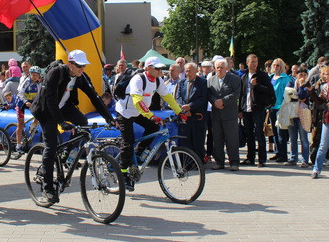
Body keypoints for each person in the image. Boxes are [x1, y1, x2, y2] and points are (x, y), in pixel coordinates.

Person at [30, 50, 115, 201]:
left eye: (84, 66)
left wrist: (109, 118)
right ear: (70, 64)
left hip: (63, 106)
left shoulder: (80, 76)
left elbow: (94, 97)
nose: (82, 69)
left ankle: (66, 153)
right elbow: (50, 100)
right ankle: (47, 187)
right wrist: (61, 122)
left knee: (83, 123)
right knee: (51, 146)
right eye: (79, 66)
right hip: (46, 110)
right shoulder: (55, 73)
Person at [115, 57, 186, 190]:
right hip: (125, 113)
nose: (160, 70)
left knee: (153, 127)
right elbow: (137, 100)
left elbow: (168, 97)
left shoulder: (158, 80)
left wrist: (179, 112)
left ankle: (137, 152)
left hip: (139, 112)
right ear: (148, 68)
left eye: (160, 68)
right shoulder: (138, 79)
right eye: (157, 68)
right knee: (128, 142)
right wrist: (151, 116)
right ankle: (123, 175)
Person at [207, 58, 242, 171]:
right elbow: (209, 94)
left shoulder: (235, 79)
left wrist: (223, 101)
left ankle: (234, 162)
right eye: (218, 67)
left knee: (231, 139)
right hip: (216, 114)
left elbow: (236, 94)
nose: (220, 69)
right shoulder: (211, 80)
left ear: (226, 68)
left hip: (229, 114)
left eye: (222, 67)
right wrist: (215, 102)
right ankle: (219, 162)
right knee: (217, 139)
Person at [239, 54, 274, 167]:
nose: (254, 64)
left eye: (255, 62)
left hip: (258, 108)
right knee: (249, 134)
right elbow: (241, 95)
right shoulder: (244, 77)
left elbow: (269, 91)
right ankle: (250, 158)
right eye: (252, 62)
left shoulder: (262, 76)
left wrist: (256, 85)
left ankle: (262, 159)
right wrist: (239, 109)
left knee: (259, 134)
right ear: (247, 63)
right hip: (246, 109)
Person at [176, 62, 208, 160]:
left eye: (189, 71)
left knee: (197, 141)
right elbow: (178, 97)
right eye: (186, 71)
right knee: (185, 141)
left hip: (197, 117)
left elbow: (203, 99)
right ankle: (186, 162)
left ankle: (198, 162)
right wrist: (184, 109)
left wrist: (190, 107)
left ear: (195, 71)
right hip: (184, 117)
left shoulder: (202, 82)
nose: (188, 73)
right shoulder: (182, 82)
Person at [14, 66, 42, 154]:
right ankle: (18, 145)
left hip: (31, 102)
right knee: (21, 124)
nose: (34, 77)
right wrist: (26, 102)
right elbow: (20, 93)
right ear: (30, 75)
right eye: (33, 75)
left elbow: (41, 95)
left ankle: (32, 125)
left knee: (40, 113)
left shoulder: (39, 84)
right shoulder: (26, 82)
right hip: (21, 103)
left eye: (36, 75)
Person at [269, 58, 291, 163]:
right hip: (271, 107)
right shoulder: (270, 77)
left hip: (281, 107)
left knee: (281, 132)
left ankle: (283, 155)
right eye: (274, 65)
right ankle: (277, 152)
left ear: (281, 66)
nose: (276, 67)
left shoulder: (285, 78)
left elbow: (287, 94)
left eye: (278, 65)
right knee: (274, 131)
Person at [286, 68, 310, 167]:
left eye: (305, 74)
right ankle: (293, 158)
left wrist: (301, 86)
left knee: (304, 138)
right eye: (300, 74)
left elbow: (303, 97)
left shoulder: (307, 86)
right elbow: (289, 96)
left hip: (303, 113)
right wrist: (297, 94)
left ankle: (305, 159)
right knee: (293, 137)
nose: (302, 77)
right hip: (292, 113)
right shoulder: (291, 83)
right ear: (296, 75)